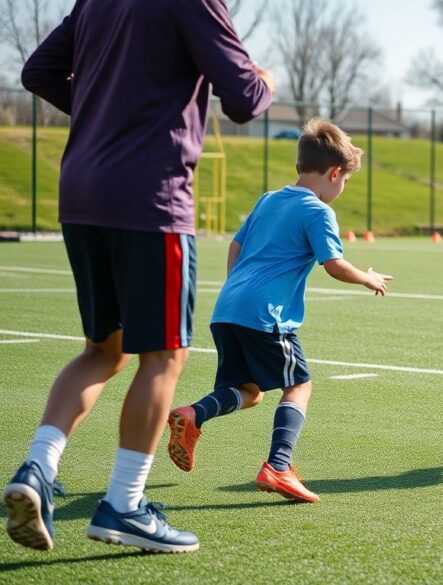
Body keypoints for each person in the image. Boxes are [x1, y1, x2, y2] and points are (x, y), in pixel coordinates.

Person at [4, 0, 274, 554]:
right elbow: (244, 98)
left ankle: (37, 469)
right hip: (151, 199)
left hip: (81, 190)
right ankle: (124, 506)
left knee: (103, 350)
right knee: (165, 356)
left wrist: (106, 110)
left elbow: (37, 72)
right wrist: (265, 79)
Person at [166, 118, 392, 504]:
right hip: (266, 314)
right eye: (345, 181)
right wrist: (366, 278)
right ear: (334, 173)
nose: (342, 189)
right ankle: (279, 466)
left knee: (248, 392)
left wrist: (238, 287)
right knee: (299, 384)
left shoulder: (269, 199)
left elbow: (235, 247)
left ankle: (192, 415)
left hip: (228, 307)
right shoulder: (318, 211)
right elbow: (334, 264)